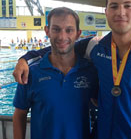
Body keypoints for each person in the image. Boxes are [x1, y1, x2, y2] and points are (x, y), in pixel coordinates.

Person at [13, 0, 131, 139]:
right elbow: (61, 46)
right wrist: (25, 58)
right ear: (106, 11)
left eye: (127, 6)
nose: (120, 12)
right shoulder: (94, 46)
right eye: (114, 6)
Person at [13, 7, 98, 139]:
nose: (62, 36)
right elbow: (20, 114)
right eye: (56, 29)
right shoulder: (32, 73)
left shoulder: (90, 72)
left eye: (69, 30)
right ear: (47, 31)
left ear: (78, 33)